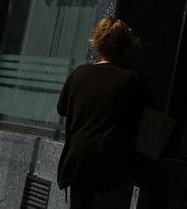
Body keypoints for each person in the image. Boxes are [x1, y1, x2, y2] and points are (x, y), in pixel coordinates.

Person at [57, 16, 167, 208]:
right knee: (159, 184)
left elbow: (62, 109)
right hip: (114, 159)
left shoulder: (79, 73)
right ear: (126, 48)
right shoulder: (132, 79)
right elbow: (146, 117)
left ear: (97, 43)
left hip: (78, 159)